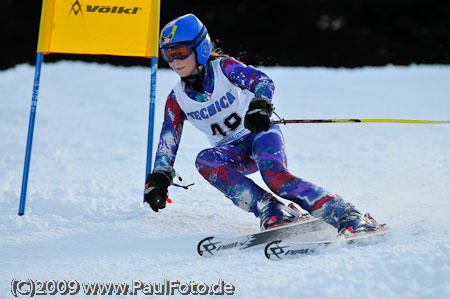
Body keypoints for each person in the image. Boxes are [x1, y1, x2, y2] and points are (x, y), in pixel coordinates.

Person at [144, 14, 379, 235]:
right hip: (233, 152)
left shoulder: (224, 69)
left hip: (260, 135)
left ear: (201, 47)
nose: (175, 61)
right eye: (168, 55)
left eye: (181, 52)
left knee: (276, 178)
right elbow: (168, 140)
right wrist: (160, 177)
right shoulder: (177, 99)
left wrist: (260, 105)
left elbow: (262, 81)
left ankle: (348, 214)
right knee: (204, 159)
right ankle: (272, 209)